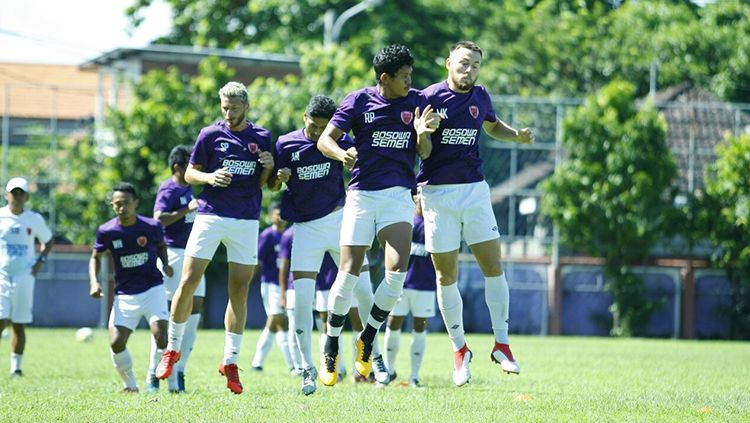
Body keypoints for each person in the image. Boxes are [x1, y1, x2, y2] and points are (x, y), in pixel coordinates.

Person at [316, 44, 439, 385]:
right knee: (350, 271)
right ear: (384, 78)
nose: (409, 82)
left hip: (399, 196)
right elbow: (325, 140)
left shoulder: (416, 103)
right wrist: (342, 155)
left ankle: (367, 337)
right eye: (404, 77)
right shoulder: (358, 101)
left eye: (411, 75)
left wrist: (421, 135)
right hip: (360, 197)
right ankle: (331, 342)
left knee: (396, 271)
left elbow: (425, 153)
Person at [419, 41, 534, 386]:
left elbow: (491, 124)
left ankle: (502, 344)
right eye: (464, 63)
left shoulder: (480, 95)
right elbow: (422, 153)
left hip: (474, 191)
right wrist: (424, 132)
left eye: (475, 65)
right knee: (445, 276)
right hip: (437, 194)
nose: (469, 70)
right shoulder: (428, 98)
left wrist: (516, 136)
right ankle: (459, 350)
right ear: (448, 62)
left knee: (493, 266)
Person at [155, 81, 275, 394]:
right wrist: (210, 176)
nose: (229, 113)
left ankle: (230, 362)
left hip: (246, 219)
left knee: (240, 289)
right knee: (188, 281)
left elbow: (265, 184)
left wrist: (268, 167)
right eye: (224, 107)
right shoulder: (210, 134)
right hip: (210, 214)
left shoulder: (262, 136)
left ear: (246, 106)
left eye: (234, 107)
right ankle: (172, 349)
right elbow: (191, 174)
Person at [271, 94, 387, 393]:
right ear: (304, 117)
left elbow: (360, 170)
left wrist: (350, 159)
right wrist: (278, 177)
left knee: (363, 290)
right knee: (300, 304)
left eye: (323, 128)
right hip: (305, 229)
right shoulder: (285, 143)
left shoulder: (341, 139)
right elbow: (271, 183)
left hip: (340, 223)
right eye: (312, 126)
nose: (316, 133)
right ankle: (307, 369)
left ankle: (374, 354)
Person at [89, 182, 172, 393]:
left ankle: (153, 374)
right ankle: (130, 386)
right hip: (125, 295)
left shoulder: (151, 226)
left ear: (135, 203)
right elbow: (95, 258)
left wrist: (166, 263)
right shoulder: (106, 231)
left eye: (126, 203)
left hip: (153, 289)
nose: (121, 208)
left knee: (161, 335)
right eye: (117, 204)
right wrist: (94, 281)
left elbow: (161, 245)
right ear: (112, 205)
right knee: (116, 342)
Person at [149, 144, 205, 393]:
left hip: (193, 254)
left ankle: (180, 371)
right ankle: (153, 372)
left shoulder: (189, 186)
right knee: (169, 316)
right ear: (177, 167)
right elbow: (158, 218)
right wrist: (187, 209)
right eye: (190, 164)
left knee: (195, 310)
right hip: (173, 253)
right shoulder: (169, 187)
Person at [0, 177, 53, 378]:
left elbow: (47, 241)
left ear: (26, 196)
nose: (17, 196)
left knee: (19, 324)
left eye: (21, 192)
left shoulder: (34, 219)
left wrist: (40, 262)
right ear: (7, 194)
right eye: (14, 192)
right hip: (2, 276)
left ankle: (16, 368)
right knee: (0, 319)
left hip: (24, 276)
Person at [383, 194, 435, 388]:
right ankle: (389, 371)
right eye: (419, 197)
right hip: (401, 284)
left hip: (425, 286)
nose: (422, 200)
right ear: (414, 199)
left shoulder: (434, 224)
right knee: (393, 323)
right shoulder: (405, 222)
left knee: (420, 326)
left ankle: (414, 376)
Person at [250, 202, 294, 373]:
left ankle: (257, 363)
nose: (280, 217)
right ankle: (293, 366)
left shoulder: (290, 235)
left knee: (274, 324)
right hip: (271, 284)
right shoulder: (267, 235)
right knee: (280, 322)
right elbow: (258, 259)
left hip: (286, 284)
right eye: (277, 213)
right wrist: (249, 282)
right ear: (270, 216)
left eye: (282, 213)